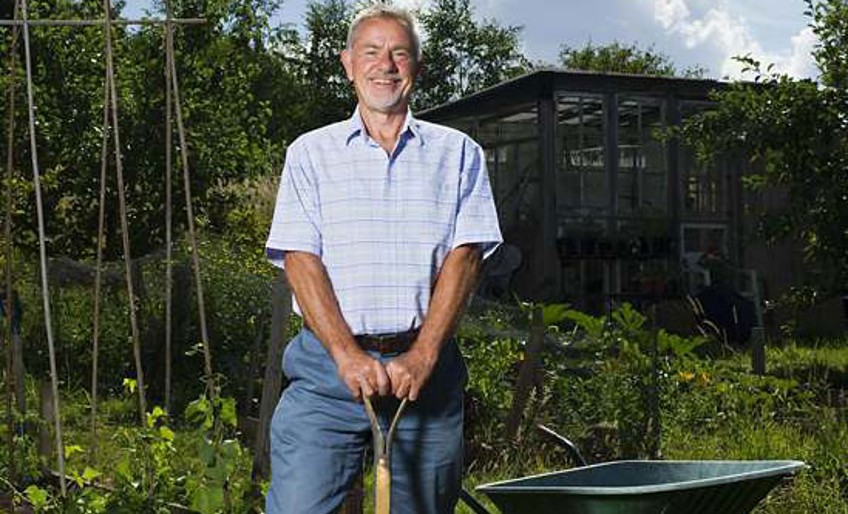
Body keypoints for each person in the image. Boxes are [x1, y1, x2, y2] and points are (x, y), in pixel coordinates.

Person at [263, 4, 502, 513]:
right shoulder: (311, 154)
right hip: (326, 375)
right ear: (348, 63)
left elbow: (465, 258)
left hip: (426, 376)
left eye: (399, 53)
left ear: (417, 66)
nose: (385, 65)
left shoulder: (458, 154)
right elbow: (300, 260)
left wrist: (423, 354)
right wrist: (346, 355)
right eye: (371, 52)